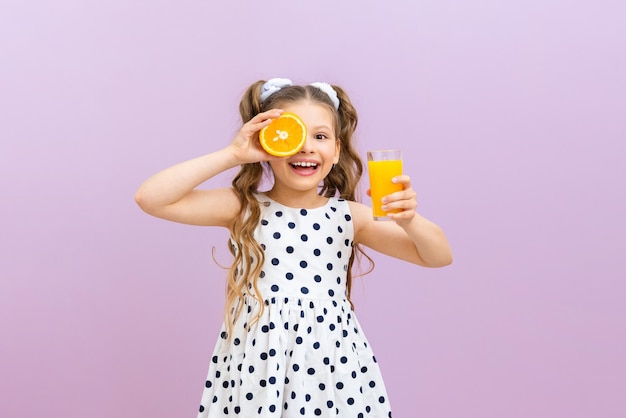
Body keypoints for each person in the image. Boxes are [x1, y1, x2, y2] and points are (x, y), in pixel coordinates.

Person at [135, 78, 452, 417]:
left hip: (331, 366)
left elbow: (438, 256)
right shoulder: (243, 208)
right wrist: (233, 154)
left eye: (320, 136)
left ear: (337, 151)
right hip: (258, 367)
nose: (306, 147)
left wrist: (408, 220)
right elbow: (151, 198)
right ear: (268, 146)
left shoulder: (349, 216)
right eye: (293, 134)